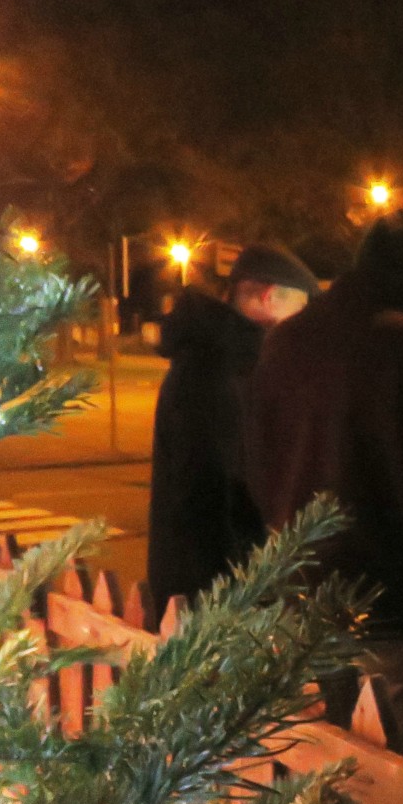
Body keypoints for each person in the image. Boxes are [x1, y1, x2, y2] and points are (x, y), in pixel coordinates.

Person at [246, 212, 403, 749]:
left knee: (310, 752)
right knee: (394, 766)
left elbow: (260, 462)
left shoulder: (287, 342)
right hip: (397, 596)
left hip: (302, 586)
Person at [146, 244, 317, 617]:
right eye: (300, 309)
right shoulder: (218, 370)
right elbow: (210, 497)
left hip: (205, 591)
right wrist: (245, 593)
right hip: (212, 602)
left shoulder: (216, 357)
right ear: (270, 298)